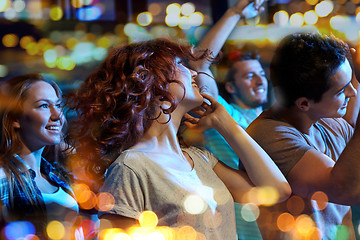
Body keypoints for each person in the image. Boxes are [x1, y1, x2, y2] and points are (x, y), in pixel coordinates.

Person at [65, 37, 291, 239]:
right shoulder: (131, 168)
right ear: (153, 83)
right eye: (180, 65)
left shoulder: (200, 160)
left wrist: (228, 126)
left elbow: (277, 190)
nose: (193, 72)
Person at [245, 32, 360, 239]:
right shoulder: (268, 136)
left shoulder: (328, 121)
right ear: (304, 103)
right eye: (342, 90)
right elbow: (348, 189)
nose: (353, 93)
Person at [189, 1, 268, 239]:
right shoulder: (223, 113)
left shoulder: (274, 120)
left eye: (261, 74)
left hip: (277, 220)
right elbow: (200, 61)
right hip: (242, 225)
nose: (259, 81)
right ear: (231, 86)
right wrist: (235, 12)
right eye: (249, 76)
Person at [0, 74, 80, 239]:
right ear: (16, 118)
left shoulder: (58, 175)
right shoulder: (3, 178)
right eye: (44, 106)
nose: (57, 115)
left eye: (58, 105)